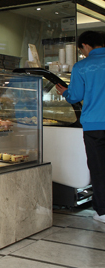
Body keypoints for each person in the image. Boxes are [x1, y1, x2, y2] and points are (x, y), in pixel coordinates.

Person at [56, 30, 105, 224]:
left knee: (98, 168)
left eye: (81, 50)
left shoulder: (82, 66)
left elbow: (75, 96)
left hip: (94, 126)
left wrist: (65, 92)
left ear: (85, 45)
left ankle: (103, 212)